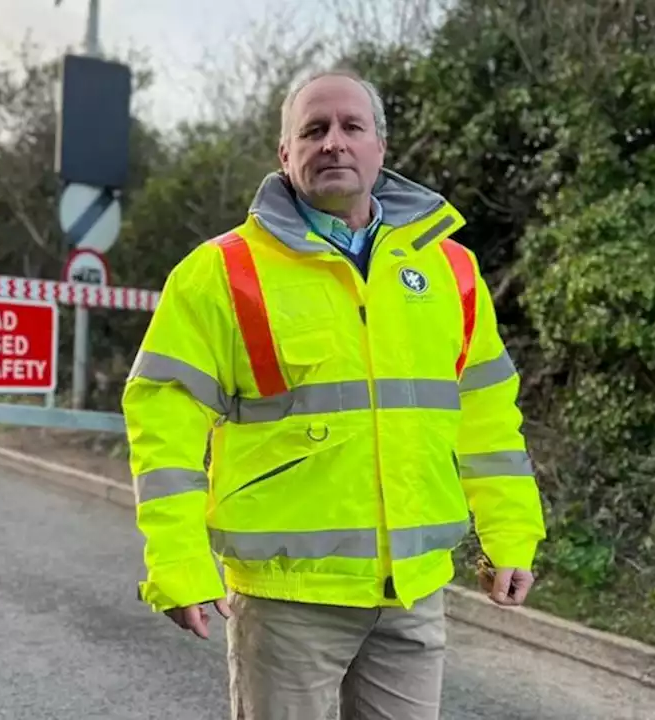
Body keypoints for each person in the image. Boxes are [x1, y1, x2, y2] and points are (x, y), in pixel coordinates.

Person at [121, 68, 547, 719]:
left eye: (352, 127)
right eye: (313, 130)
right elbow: (165, 417)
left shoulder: (449, 271)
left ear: (380, 146)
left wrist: (511, 534)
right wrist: (179, 561)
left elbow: (486, 417)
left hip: (412, 595)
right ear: (285, 155)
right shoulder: (223, 272)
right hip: (289, 600)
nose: (334, 143)